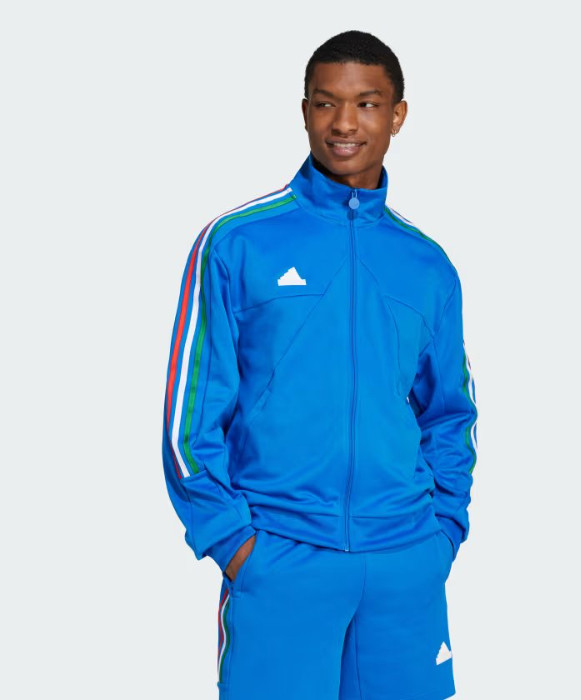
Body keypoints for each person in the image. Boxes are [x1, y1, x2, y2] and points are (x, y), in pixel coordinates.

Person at [162, 29, 478, 700]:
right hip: (281, 557)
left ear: (397, 114)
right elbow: (189, 419)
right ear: (304, 110)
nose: (344, 123)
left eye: (366, 103)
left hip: (405, 567)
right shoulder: (237, 242)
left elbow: (450, 413)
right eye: (326, 102)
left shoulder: (428, 264)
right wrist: (235, 545)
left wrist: (442, 534)